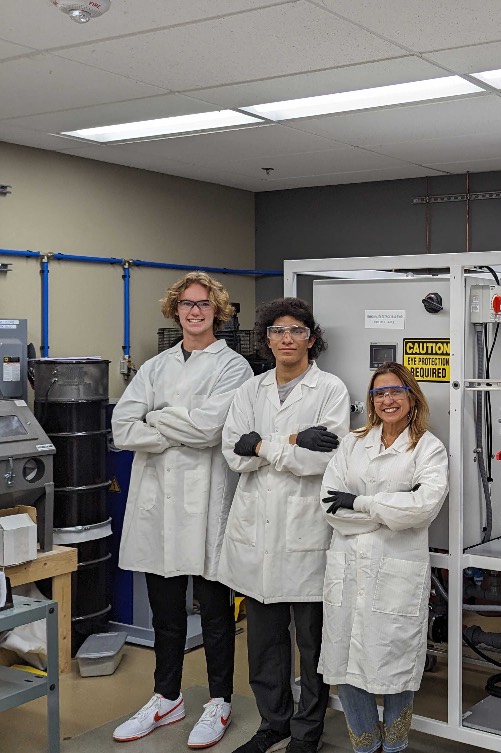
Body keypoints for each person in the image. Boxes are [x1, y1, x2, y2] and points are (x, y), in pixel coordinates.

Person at [111, 272, 253, 749]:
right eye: (187, 305)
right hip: (159, 507)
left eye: (204, 305)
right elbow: (123, 429)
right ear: (176, 311)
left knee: (215, 613)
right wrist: (171, 426)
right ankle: (165, 696)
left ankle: (219, 701)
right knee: (166, 613)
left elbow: (211, 430)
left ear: (218, 311)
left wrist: (156, 417)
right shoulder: (155, 367)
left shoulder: (234, 369)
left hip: (207, 504)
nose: (195, 312)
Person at [218, 298, 350, 753]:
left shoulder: (330, 389)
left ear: (311, 338)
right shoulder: (250, 390)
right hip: (256, 533)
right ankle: (272, 723)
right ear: (267, 338)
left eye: (296, 331)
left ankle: (306, 733)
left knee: (312, 647)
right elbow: (233, 453)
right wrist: (288, 442)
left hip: (306, 530)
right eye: (277, 331)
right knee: (263, 645)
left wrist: (264, 446)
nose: (286, 339)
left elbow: (322, 459)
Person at [318, 362, 448, 753]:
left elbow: (423, 508)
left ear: (411, 397)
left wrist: (361, 503)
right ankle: (364, 743)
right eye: (379, 393)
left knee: (395, 661)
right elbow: (328, 507)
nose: (387, 399)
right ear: (371, 400)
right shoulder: (353, 443)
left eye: (395, 391)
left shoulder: (428, 447)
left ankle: (394, 745)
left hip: (397, 572)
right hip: (350, 566)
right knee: (346, 658)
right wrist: (388, 515)